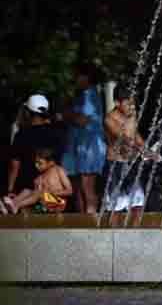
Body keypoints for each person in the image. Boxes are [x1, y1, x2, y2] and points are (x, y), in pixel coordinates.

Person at [102, 86, 156, 224]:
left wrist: (147, 150)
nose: (131, 106)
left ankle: (133, 237)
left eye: (133, 103)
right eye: (128, 103)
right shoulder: (109, 119)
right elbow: (123, 138)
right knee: (116, 207)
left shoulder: (131, 115)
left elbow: (135, 135)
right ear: (117, 103)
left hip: (131, 165)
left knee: (138, 204)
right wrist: (141, 149)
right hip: (115, 165)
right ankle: (113, 238)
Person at [61, 63, 107, 214]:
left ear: (87, 77)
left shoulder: (90, 95)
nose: (75, 78)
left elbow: (82, 120)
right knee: (79, 188)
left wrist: (66, 113)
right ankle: (82, 220)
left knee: (88, 187)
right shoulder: (82, 96)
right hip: (80, 147)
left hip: (90, 147)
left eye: (78, 75)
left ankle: (91, 221)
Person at [6, 94, 65, 202]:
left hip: (25, 191)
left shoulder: (22, 134)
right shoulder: (57, 133)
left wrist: (10, 190)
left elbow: (14, 165)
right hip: (53, 191)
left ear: (28, 113)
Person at [1, 148, 72, 214]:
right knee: (28, 190)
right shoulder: (39, 178)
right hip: (45, 205)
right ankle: (12, 202)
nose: (36, 165)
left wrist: (50, 192)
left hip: (60, 204)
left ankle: (16, 205)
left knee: (39, 193)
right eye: (35, 162)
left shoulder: (58, 170)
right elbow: (34, 197)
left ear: (51, 162)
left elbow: (69, 191)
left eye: (40, 163)